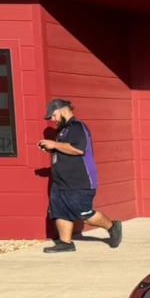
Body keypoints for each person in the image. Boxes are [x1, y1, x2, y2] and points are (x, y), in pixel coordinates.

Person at [37, 99, 122, 253]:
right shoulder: (61, 131)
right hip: (60, 182)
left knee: (84, 214)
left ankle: (112, 226)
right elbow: (65, 150)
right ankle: (66, 243)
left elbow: (79, 149)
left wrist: (54, 145)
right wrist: (52, 149)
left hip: (79, 181)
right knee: (59, 211)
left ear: (63, 110)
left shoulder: (77, 127)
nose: (53, 119)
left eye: (54, 115)